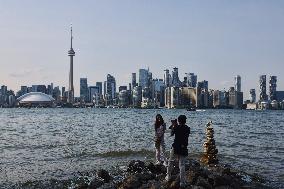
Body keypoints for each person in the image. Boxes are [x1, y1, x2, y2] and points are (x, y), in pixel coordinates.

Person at [165, 115, 190, 187]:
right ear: (185, 121)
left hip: (175, 146)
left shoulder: (176, 127)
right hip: (184, 147)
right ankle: (182, 182)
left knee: (170, 161)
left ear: (178, 121)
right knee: (182, 165)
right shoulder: (187, 128)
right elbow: (185, 136)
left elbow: (171, 134)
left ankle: (168, 176)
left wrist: (173, 125)